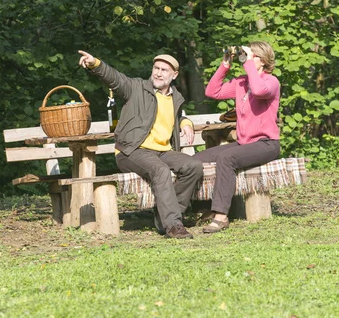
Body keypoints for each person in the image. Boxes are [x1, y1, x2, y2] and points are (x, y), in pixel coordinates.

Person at [78, 50, 203, 239]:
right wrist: (96, 63)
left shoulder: (175, 97)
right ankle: (173, 225)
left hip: (162, 151)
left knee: (194, 166)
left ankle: (165, 214)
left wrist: (185, 123)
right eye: (156, 68)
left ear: (174, 75)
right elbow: (115, 79)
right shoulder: (136, 88)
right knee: (160, 170)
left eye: (164, 70)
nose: (159, 73)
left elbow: (176, 116)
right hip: (131, 150)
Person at [192, 41, 281, 233]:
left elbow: (259, 91)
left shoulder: (271, 82)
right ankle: (198, 207)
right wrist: (225, 65)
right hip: (244, 144)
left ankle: (221, 216)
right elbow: (212, 92)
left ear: (263, 60)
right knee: (196, 159)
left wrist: (249, 64)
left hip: (266, 144)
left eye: (252, 55)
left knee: (227, 158)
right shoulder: (241, 83)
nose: (247, 59)